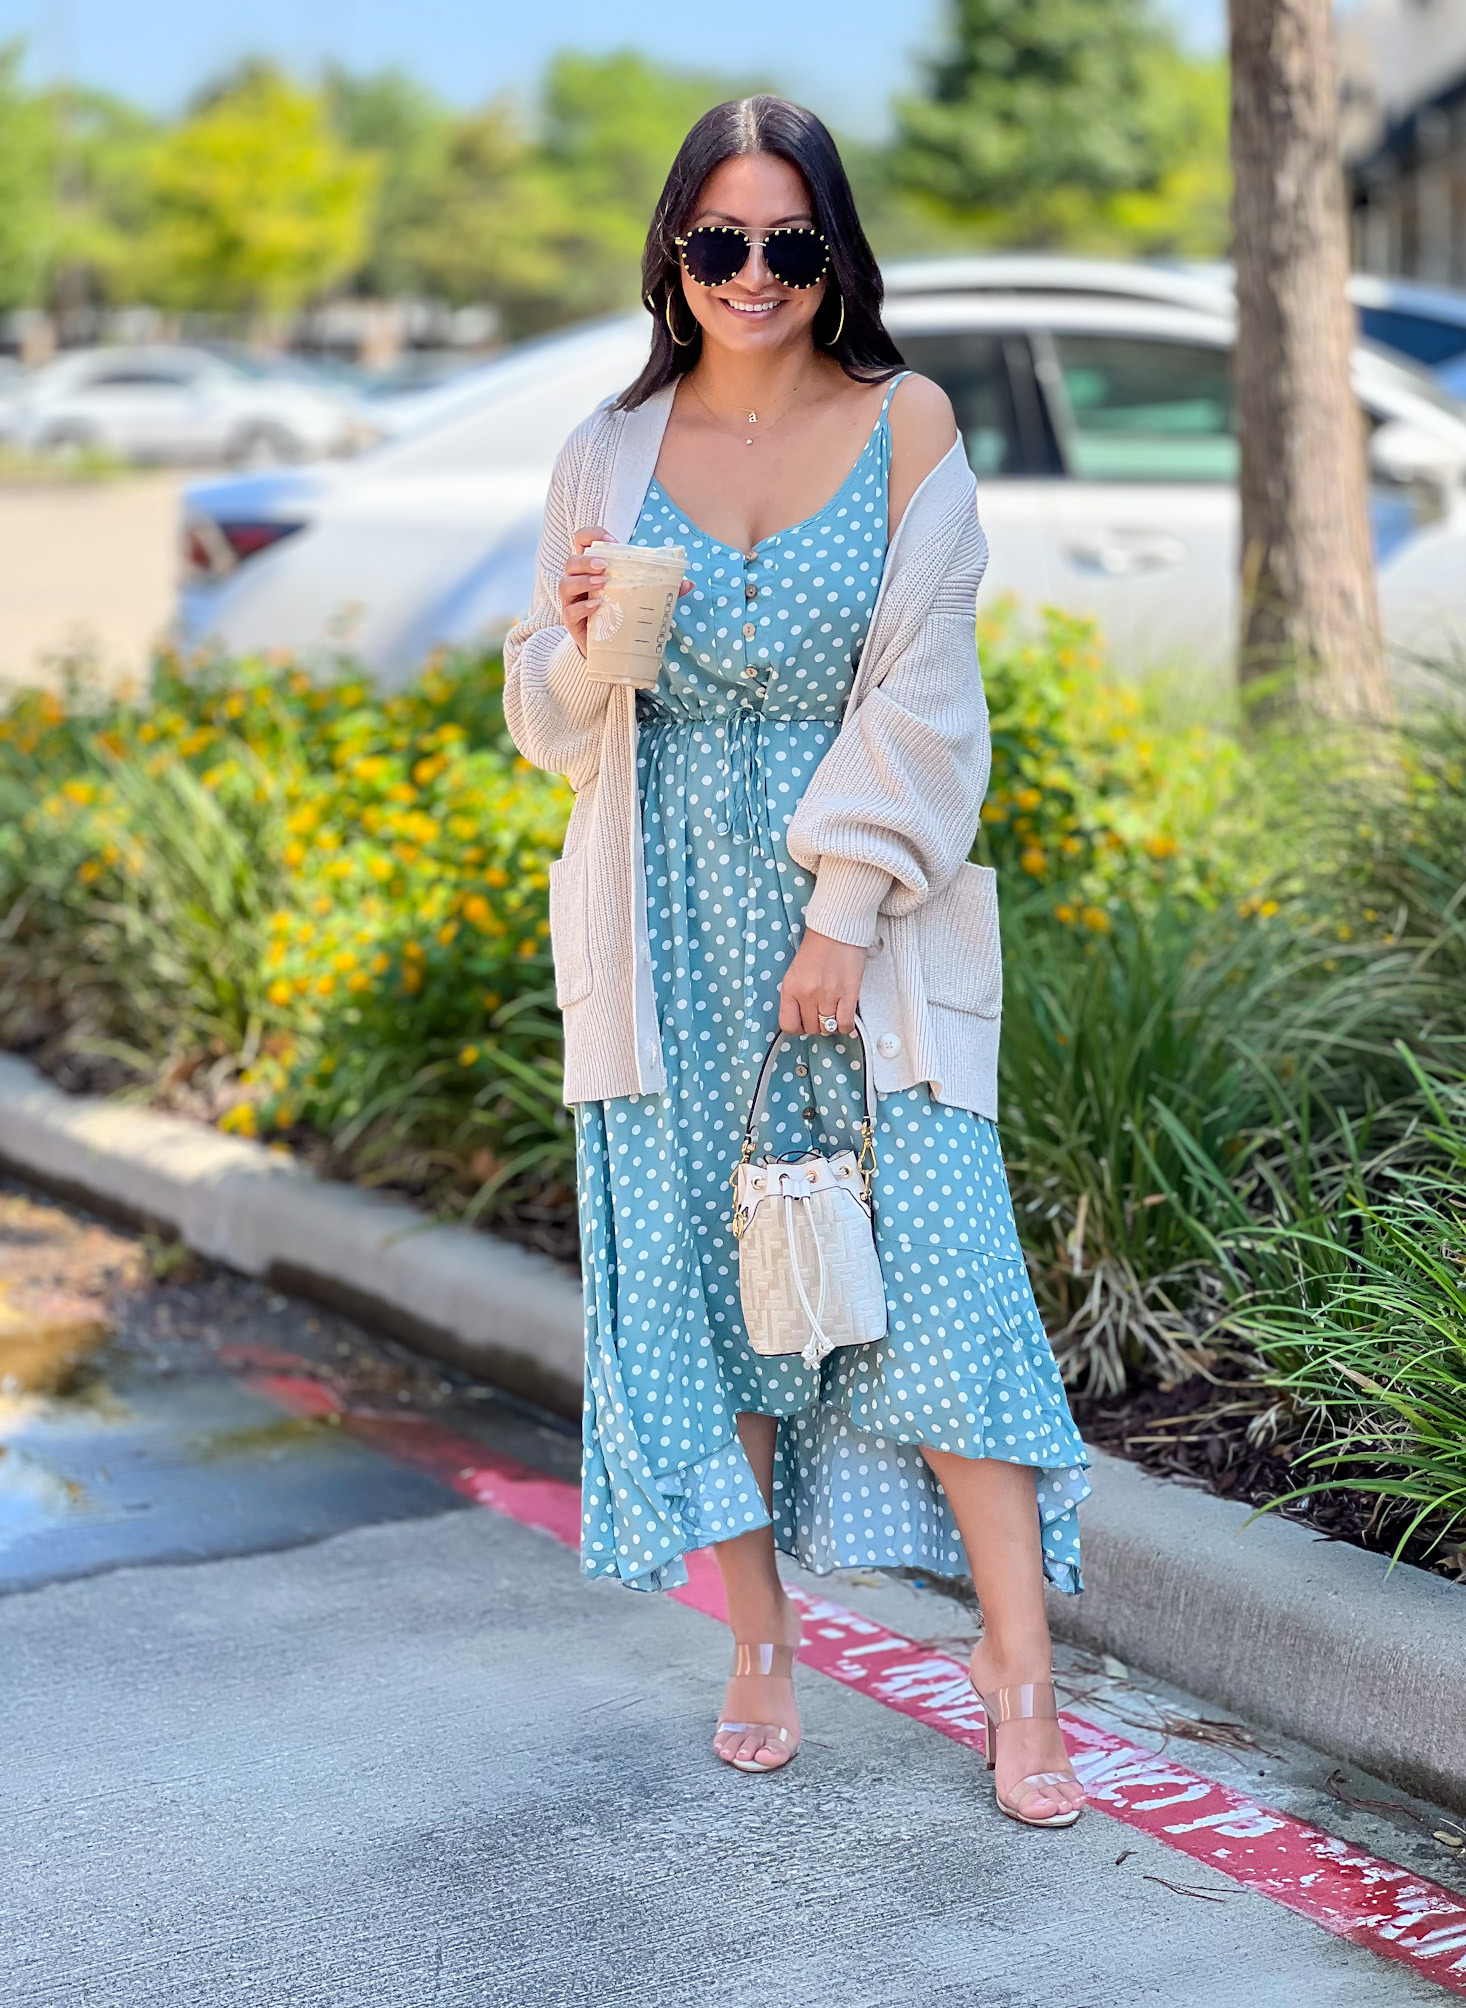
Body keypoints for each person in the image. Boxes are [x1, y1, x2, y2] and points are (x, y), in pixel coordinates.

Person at [504, 95, 1091, 1828]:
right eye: (719, 243)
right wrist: (600, 639)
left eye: (790, 243)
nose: (752, 276)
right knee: (719, 1301)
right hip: (666, 933)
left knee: (949, 1287)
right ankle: (760, 1638)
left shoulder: (907, 427)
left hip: (866, 942)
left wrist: (841, 916)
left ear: (834, 255)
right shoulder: (604, 454)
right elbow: (549, 717)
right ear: (673, 256)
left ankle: (1019, 1666)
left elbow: (930, 700)